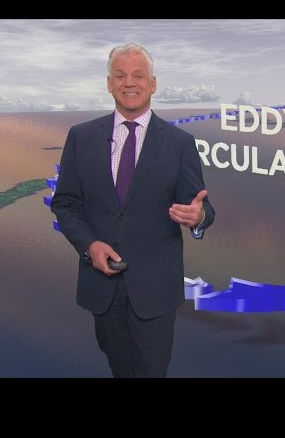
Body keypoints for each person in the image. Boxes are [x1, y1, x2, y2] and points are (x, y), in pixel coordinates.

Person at [51, 43, 215, 378]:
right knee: (121, 369)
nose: (129, 82)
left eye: (138, 75)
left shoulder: (180, 143)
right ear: (109, 84)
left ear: (153, 84)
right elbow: (66, 203)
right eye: (120, 75)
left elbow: (201, 206)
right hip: (102, 287)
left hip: (155, 290)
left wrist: (198, 218)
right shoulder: (81, 137)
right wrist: (90, 245)